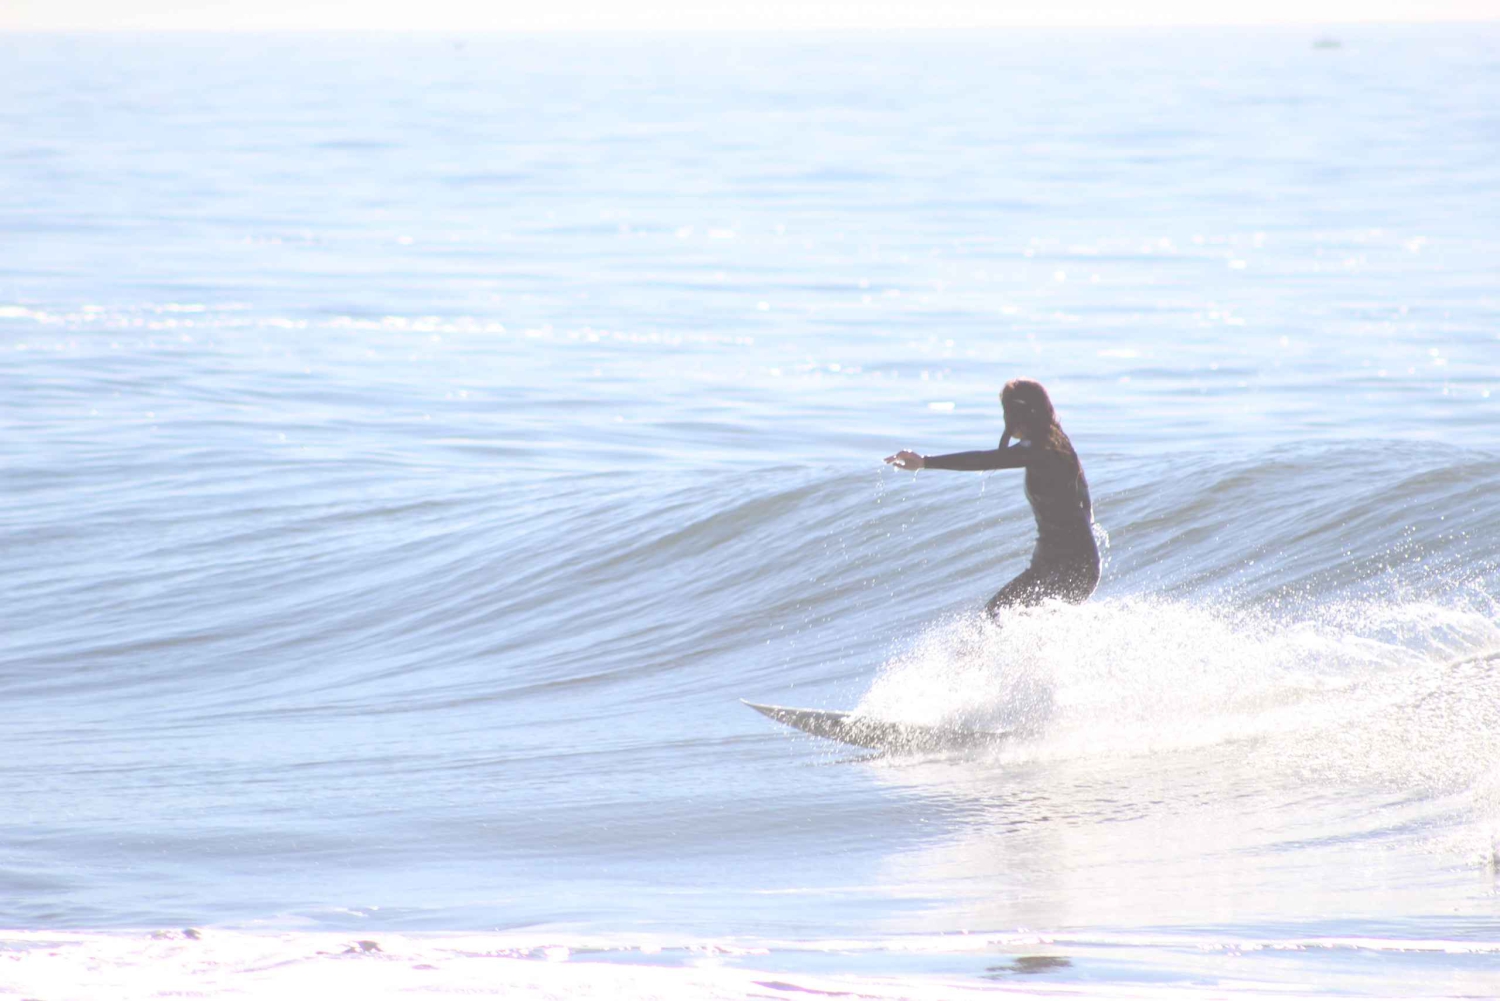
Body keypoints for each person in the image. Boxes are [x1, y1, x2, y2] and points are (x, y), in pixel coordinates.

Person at [885, 378, 1100, 619]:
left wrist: (926, 462)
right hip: (1065, 566)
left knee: (991, 619)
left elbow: (984, 460)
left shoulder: (1042, 450)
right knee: (1003, 622)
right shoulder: (1057, 444)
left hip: (1066, 569)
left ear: (1016, 414)